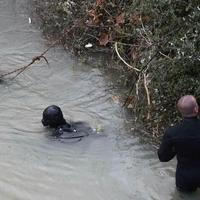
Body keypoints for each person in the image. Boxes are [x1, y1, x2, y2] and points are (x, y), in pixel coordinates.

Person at [158, 95, 200, 192]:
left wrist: (175, 148)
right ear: (196, 109)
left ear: (181, 112)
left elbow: (163, 157)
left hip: (185, 178)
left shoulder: (172, 132)